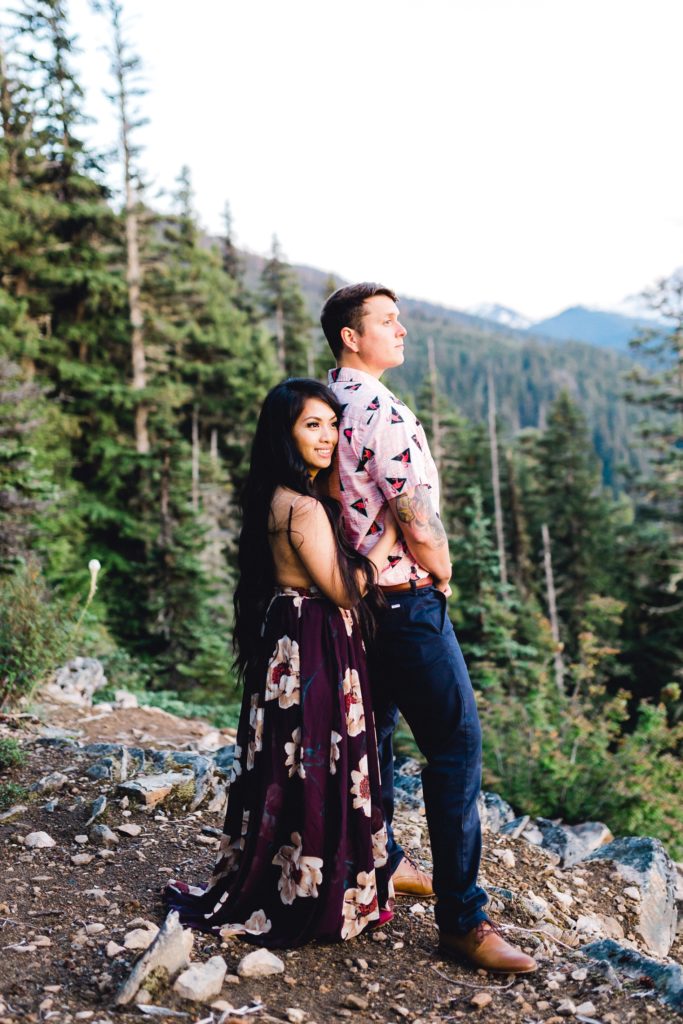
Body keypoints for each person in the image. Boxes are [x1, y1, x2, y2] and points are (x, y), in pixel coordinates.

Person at [323, 283, 537, 973]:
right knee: (454, 749)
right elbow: (416, 515)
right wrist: (440, 574)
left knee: (379, 733)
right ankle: (461, 921)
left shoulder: (323, 405)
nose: (402, 330)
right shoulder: (380, 408)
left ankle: (384, 862)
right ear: (351, 337)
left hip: (350, 604)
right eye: (387, 321)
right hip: (403, 602)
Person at [164, 378, 398, 947]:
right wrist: (387, 538)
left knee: (289, 760)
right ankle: (316, 895)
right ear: (285, 435)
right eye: (310, 426)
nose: (326, 437)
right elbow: (344, 591)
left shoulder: (274, 496)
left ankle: (286, 877)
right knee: (320, 758)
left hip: (289, 640)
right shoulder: (303, 508)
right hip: (315, 639)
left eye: (330, 425)